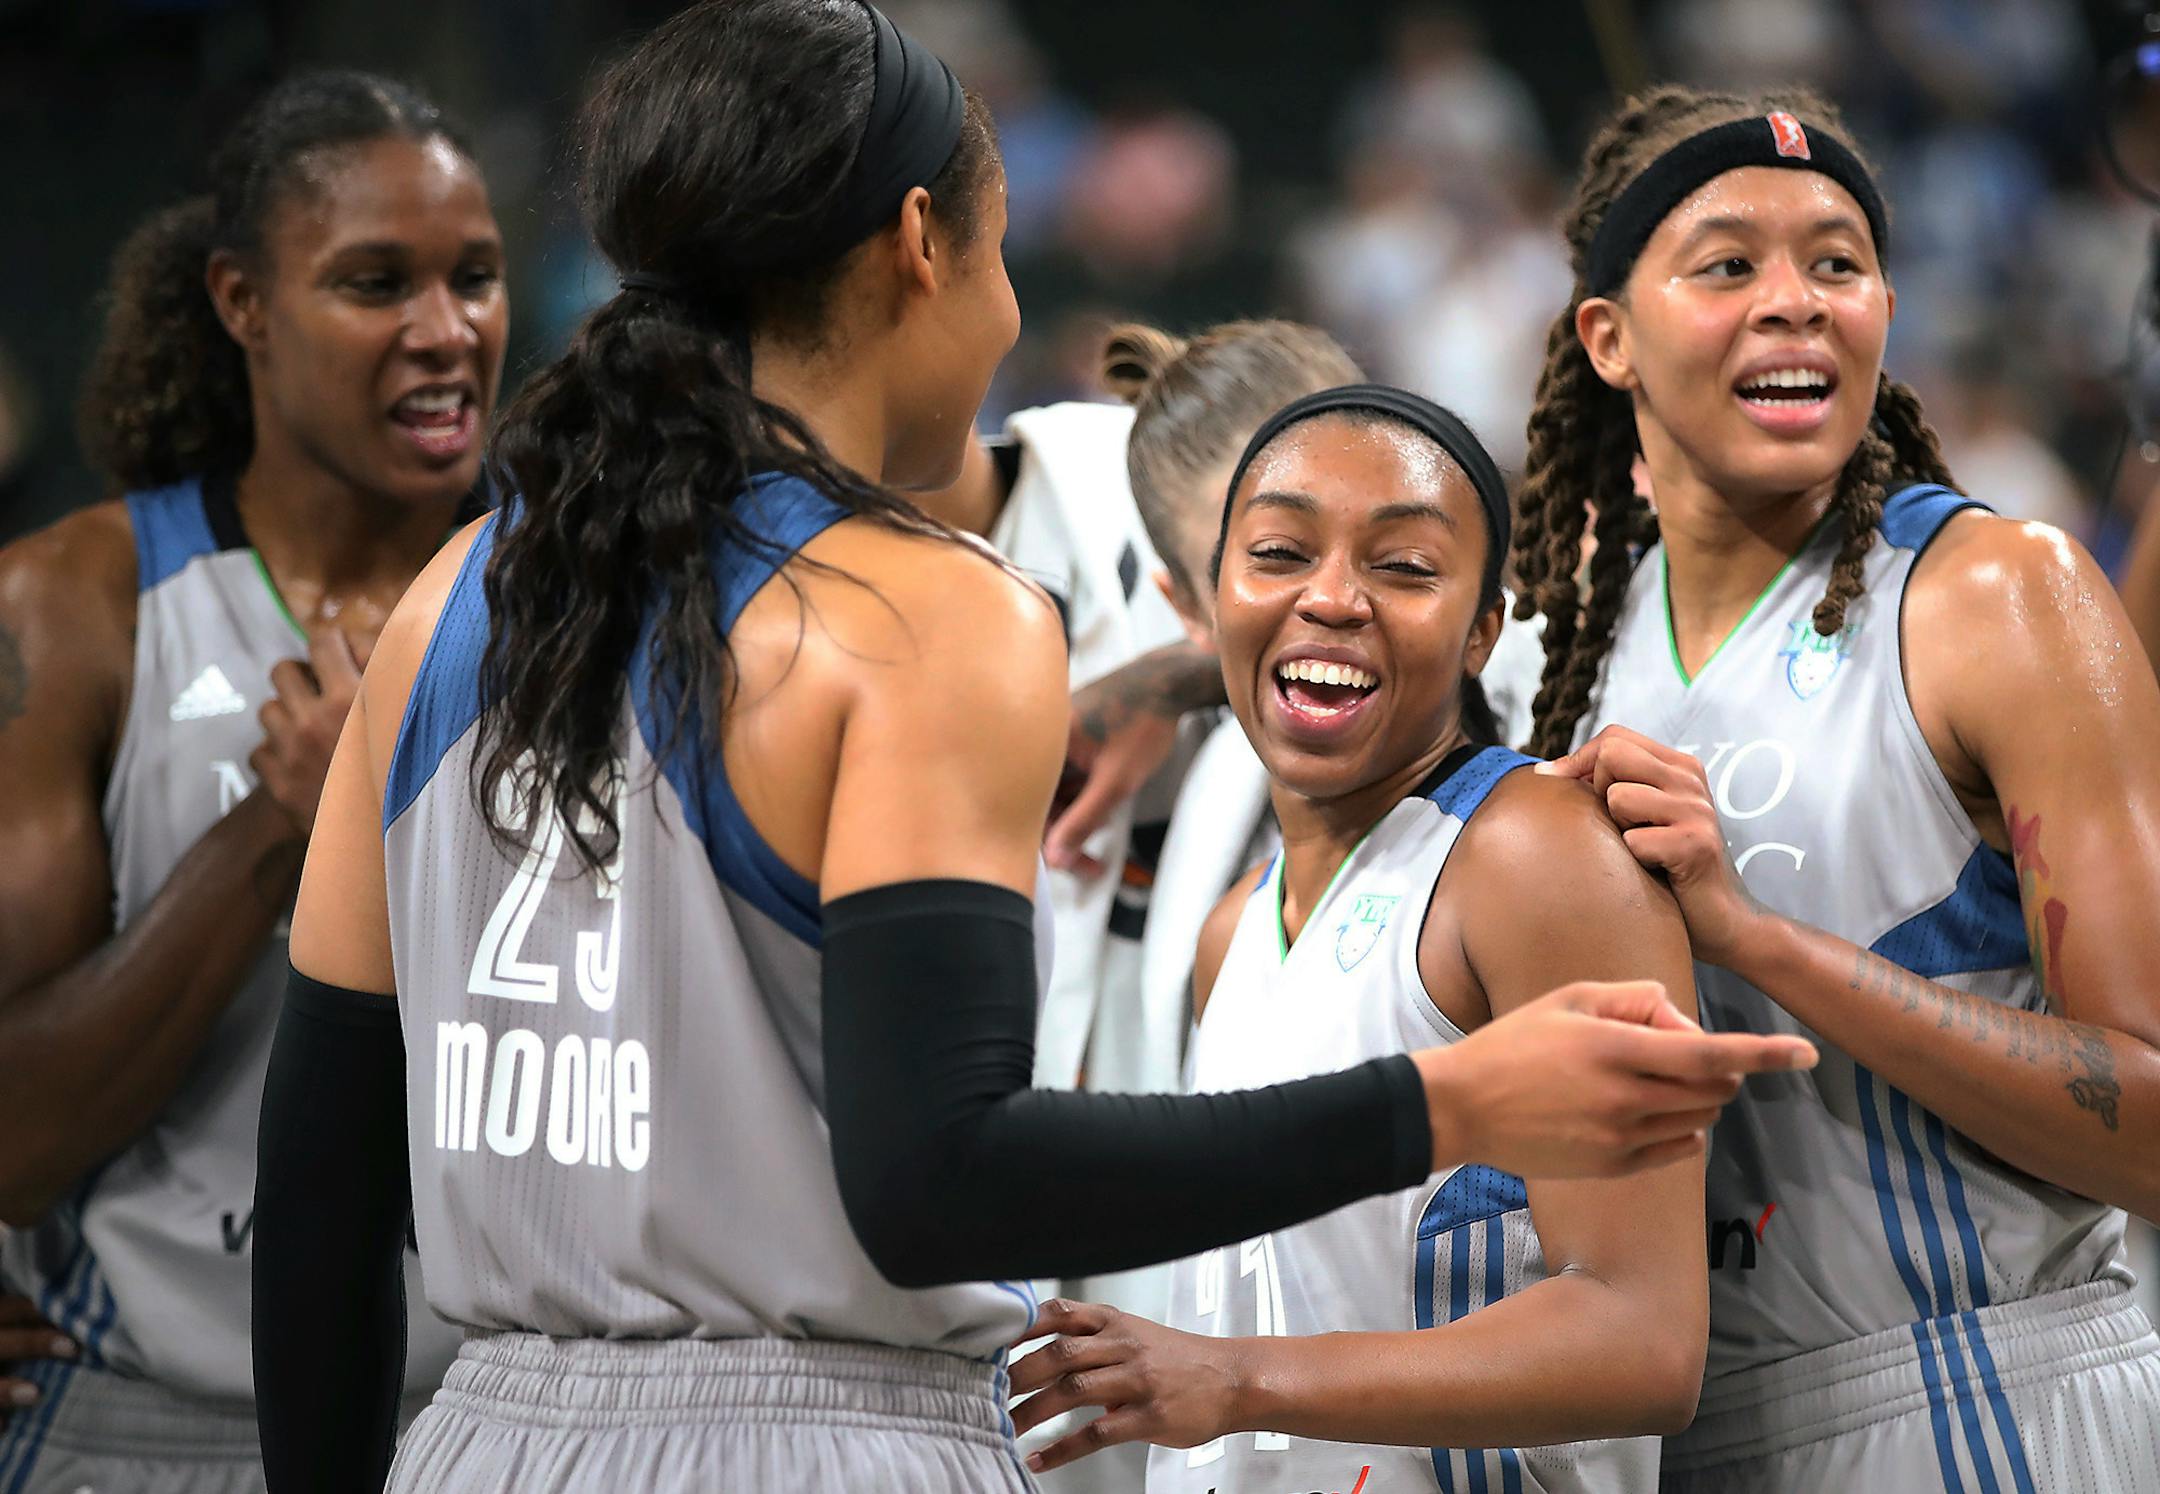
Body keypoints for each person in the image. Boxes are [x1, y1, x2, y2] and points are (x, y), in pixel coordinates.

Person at [247, 9, 1815, 1492]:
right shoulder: (931, 610)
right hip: (817, 1442)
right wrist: (1447, 1104)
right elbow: (938, 1176)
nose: (1006, 318)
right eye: (997, 257)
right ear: (923, 244)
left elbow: (317, 1198)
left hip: (482, 1441)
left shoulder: (457, 599)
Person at [1509, 84, 2160, 1491]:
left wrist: (1754, 940)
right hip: (1670, 1431)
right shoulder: (1553, 655)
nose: (1796, 301)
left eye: (1839, 261)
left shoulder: (1997, 597)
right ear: (1607, 337)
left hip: (1977, 1401)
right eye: (1730, 263)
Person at [1008, 386, 1716, 1493]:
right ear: (1209, 602)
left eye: (1405, 566)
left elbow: (1646, 1341)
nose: (1332, 597)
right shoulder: (1231, 934)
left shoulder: (1531, 852)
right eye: (1282, 552)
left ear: (1486, 627)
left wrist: (1240, 1380)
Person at [0, 70, 503, 1492]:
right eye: (375, 282)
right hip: (139, 1414)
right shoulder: (75, 606)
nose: (446, 330)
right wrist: (288, 829)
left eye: (475, 276)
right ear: (241, 303)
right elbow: (14, 1134)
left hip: (488, 1414)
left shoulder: (579, 601)